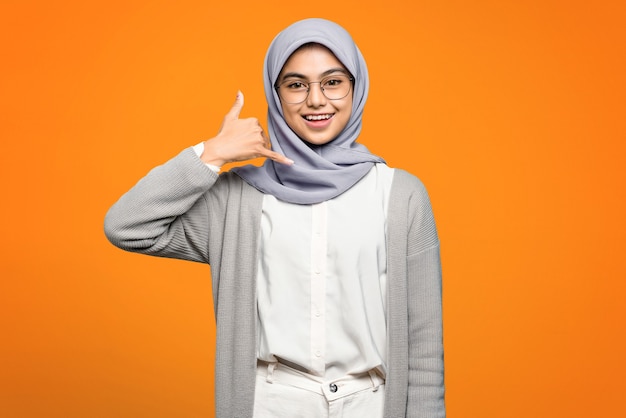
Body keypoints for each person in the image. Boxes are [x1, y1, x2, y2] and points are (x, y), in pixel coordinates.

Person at [105, 18, 445, 418]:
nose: (316, 100)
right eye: (296, 84)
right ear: (276, 94)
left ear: (356, 88)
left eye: (333, 82)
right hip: (269, 403)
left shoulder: (400, 195)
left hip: (370, 404)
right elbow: (127, 225)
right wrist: (211, 153)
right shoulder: (237, 199)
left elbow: (423, 347)